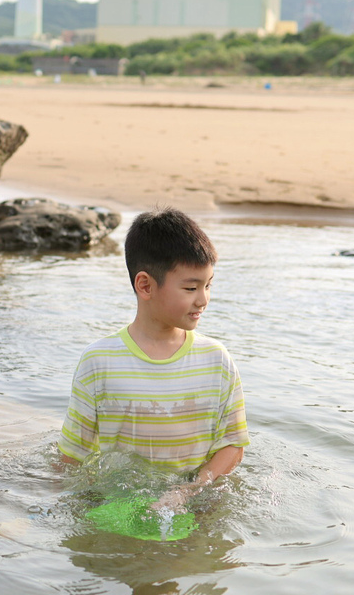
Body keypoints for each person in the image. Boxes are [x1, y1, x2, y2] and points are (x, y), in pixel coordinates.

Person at [58, 208, 248, 510]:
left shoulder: (216, 360)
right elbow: (71, 456)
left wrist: (189, 491)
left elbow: (233, 446)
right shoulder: (99, 362)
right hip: (117, 506)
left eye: (208, 285)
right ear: (145, 285)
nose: (203, 299)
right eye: (191, 288)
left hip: (193, 505)